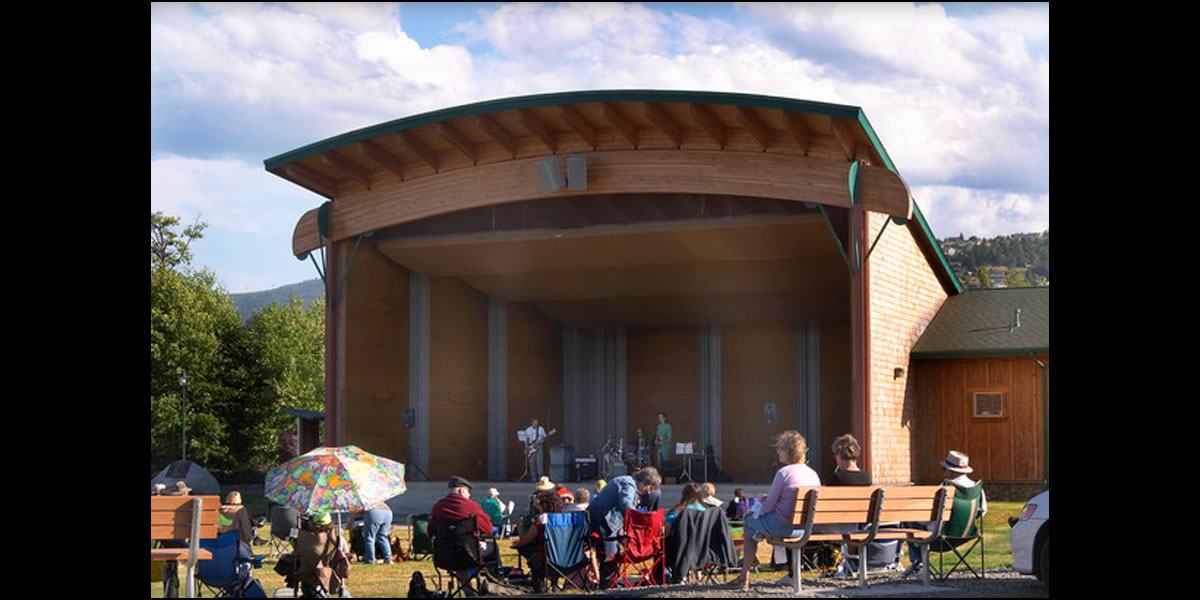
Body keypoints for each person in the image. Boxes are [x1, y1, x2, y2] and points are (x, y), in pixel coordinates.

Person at [727, 430, 820, 591]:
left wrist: (761, 505)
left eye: (780, 449)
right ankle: (753, 555)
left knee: (749, 521)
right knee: (755, 524)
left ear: (787, 451)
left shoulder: (783, 473)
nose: (778, 452)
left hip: (784, 526)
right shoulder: (813, 474)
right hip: (804, 528)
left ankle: (745, 574)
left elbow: (768, 508)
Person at [903, 450, 988, 578]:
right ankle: (917, 565)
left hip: (939, 537)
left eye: (944, 469)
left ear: (951, 471)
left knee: (907, 522)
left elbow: (925, 519)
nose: (943, 472)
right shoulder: (976, 488)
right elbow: (982, 512)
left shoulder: (944, 488)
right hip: (966, 535)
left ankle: (917, 565)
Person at [587, 467, 663, 566]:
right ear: (644, 482)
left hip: (606, 521)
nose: (648, 492)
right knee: (611, 555)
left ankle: (611, 578)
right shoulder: (629, 485)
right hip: (603, 521)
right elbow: (626, 505)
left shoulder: (627, 482)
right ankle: (608, 580)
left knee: (613, 553)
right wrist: (640, 520)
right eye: (649, 488)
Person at [514, 490, 564, 593]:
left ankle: (539, 581)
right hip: (567, 561)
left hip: (545, 561)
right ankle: (555, 583)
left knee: (527, 550)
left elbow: (524, 541)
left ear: (543, 505)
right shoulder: (565, 520)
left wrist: (520, 526)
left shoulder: (541, 520)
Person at [359, 500, 394, 565]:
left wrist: (349, 524)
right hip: (387, 512)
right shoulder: (375, 495)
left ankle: (370, 560)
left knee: (369, 538)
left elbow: (356, 512)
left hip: (374, 512)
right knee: (383, 537)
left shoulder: (360, 499)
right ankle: (388, 559)